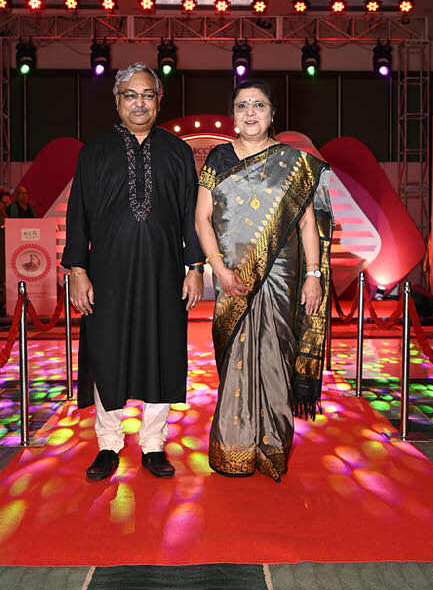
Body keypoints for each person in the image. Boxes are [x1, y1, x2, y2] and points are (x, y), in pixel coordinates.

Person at [62, 62, 204, 481]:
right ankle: (108, 444)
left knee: (160, 351)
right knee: (108, 351)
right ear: (117, 101)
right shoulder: (94, 151)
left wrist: (194, 267)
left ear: (159, 101)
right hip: (106, 274)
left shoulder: (177, 152)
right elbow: (77, 218)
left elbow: (190, 216)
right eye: (130, 95)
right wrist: (78, 270)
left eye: (147, 95)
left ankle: (154, 444)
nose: (139, 103)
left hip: (163, 272)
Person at [195, 79, 332, 482]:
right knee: (235, 357)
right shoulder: (218, 158)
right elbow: (202, 218)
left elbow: (308, 223)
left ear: (273, 114)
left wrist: (312, 276)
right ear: (233, 116)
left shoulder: (294, 161)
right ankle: (233, 447)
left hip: (282, 272)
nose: (250, 112)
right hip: (231, 271)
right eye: (242, 106)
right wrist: (218, 270)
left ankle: (272, 445)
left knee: (275, 356)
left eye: (258, 105)